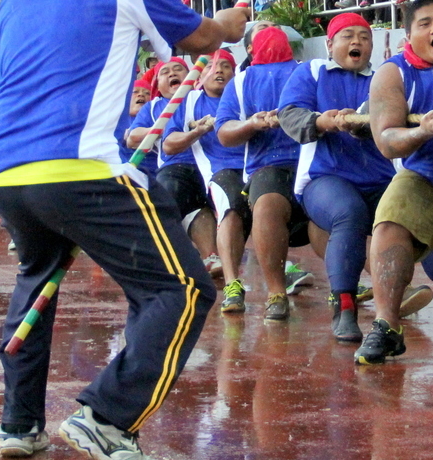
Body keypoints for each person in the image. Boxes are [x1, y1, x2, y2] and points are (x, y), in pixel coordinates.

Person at [0, 0, 246, 460]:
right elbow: (198, 38)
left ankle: (19, 424)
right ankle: (106, 416)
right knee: (182, 289)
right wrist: (229, 25)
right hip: (79, 167)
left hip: (5, 171)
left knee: (37, 278)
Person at [357, 0, 433, 364]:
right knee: (389, 221)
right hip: (430, 179)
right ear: (408, 35)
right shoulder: (392, 73)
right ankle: (387, 326)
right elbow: (387, 141)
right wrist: (424, 131)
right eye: (425, 23)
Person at [277, 14, 395, 342]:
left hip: (381, 176)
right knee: (349, 213)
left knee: (414, 212)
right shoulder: (311, 72)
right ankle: (344, 306)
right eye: (347, 36)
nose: (357, 42)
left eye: (364, 37)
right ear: (329, 44)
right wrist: (321, 122)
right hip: (324, 177)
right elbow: (289, 114)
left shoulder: (386, 76)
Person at [217, 26, 305, 320]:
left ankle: (345, 286)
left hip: (311, 163)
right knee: (262, 207)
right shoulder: (241, 82)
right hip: (265, 166)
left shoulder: (307, 72)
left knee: (336, 212)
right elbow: (225, 132)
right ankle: (275, 293)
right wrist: (253, 124)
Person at [152, 51, 250, 307]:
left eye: (226, 66)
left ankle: (284, 271)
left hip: (254, 168)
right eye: (213, 68)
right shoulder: (188, 101)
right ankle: (229, 284)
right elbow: (168, 145)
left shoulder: (243, 93)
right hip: (217, 173)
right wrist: (198, 130)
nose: (219, 71)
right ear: (200, 77)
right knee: (229, 205)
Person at [126, 58, 224, 279]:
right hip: (177, 166)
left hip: (213, 166)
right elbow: (132, 138)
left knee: (212, 209)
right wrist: (168, 127)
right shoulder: (153, 107)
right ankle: (159, 259)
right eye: (165, 72)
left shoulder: (203, 98)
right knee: (171, 199)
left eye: (178, 69)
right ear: (158, 84)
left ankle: (211, 257)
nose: (172, 74)